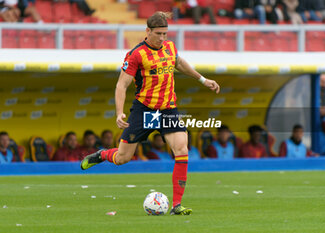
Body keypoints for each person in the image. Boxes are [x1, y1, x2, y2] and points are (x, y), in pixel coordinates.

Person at [80, 11, 220, 215]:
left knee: (181, 149)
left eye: (165, 33)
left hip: (168, 109)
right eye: (158, 34)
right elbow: (121, 85)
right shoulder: (136, 54)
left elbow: (179, 63)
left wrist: (202, 79)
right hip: (145, 110)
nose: (162, 38)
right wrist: (119, 113)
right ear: (147, 31)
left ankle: (176, 205)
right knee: (122, 158)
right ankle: (102, 155)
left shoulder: (170, 47)